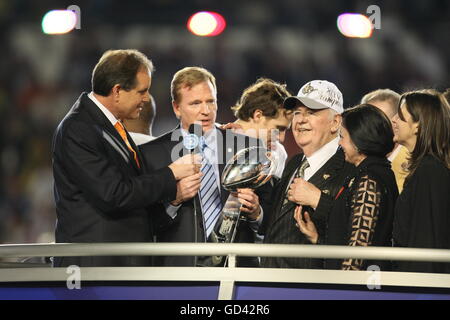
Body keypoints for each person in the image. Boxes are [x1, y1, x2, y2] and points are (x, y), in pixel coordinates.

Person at [52, 50, 198, 267]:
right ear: (117, 91)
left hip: (119, 265)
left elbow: (131, 199)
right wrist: (171, 173)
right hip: (94, 272)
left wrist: (174, 197)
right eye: (142, 91)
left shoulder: (110, 126)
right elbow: (113, 195)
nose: (146, 98)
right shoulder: (79, 129)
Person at [140, 67, 270, 267]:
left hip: (239, 269)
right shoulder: (153, 154)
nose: (206, 111)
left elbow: (273, 215)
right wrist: (174, 201)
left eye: (211, 101)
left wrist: (256, 213)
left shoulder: (247, 147)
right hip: (179, 271)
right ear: (176, 108)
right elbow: (142, 224)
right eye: (195, 103)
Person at [291, 104, 398, 271]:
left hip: (358, 290)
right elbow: (348, 238)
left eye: (342, 137)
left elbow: (358, 252)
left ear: (358, 140)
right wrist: (317, 238)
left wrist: (344, 290)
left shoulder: (370, 179)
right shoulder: (364, 174)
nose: (340, 143)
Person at [261, 80, 354, 269]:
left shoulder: (350, 168)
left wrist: (319, 200)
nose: (301, 120)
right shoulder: (294, 162)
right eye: (297, 113)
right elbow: (278, 226)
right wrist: (257, 213)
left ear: (335, 122)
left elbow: (357, 232)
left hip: (312, 287)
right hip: (271, 282)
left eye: (311, 113)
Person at [391, 90, 450, 273]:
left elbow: (426, 241)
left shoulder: (429, 171)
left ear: (418, 126)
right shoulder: (425, 169)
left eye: (400, 117)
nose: (393, 120)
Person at [224, 78, 294, 179]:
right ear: (258, 116)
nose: (281, 138)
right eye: (278, 128)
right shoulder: (213, 143)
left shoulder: (278, 153)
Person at [361, 89, 409, 192]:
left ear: (397, 121)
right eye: (366, 120)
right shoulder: (357, 163)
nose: (371, 127)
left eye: (380, 120)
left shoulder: (414, 165)